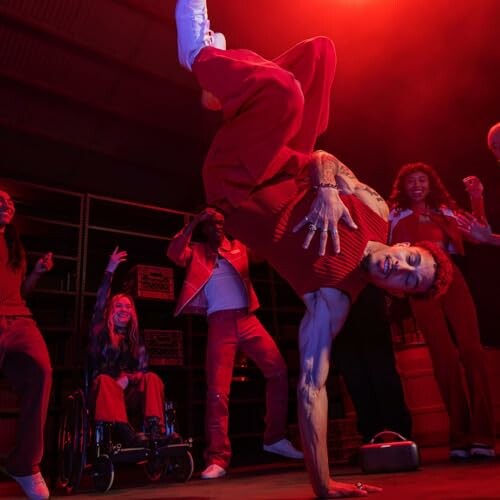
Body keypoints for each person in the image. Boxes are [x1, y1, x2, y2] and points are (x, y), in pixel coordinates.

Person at [174, 1, 453, 496]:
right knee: (320, 54)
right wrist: (325, 187)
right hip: (284, 163)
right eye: (413, 259)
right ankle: (224, 97)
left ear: (396, 293)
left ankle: (199, 54)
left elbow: (311, 388)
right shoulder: (379, 211)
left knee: (283, 92)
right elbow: (326, 158)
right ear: (407, 244)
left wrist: (323, 486)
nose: (401, 266)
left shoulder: (334, 297)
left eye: (407, 279)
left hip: (238, 184)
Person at [167, 207, 303, 480]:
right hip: (220, 324)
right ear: (204, 230)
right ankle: (217, 457)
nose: (216, 227)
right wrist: (195, 221)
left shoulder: (240, 247)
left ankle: (274, 437)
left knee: (278, 370)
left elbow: (265, 249)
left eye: (220, 223)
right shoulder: (197, 251)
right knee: (218, 392)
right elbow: (173, 253)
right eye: (210, 224)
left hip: (247, 319)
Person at [387, 162, 496, 460]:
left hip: (451, 277)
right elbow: (383, 252)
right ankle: (459, 437)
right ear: (403, 188)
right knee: (443, 357)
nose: (417, 185)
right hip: (418, 285)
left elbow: (479, 232)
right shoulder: (393, 215)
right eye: (411, 181)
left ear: (430, 184)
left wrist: (477, 196)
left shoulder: (446, 210)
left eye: (422, 179)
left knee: (472, 351)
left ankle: (483, 435)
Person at [0, 188, 53, 500]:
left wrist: (37, 272)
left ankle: (24, 464)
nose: (6, 203)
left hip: (18, 317)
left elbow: (23, 290)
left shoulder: (14, 246)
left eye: (9, 201)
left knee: (41, 370)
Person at [88, 247, 166, 446]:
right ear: (110, 311)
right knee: (105, 380)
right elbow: (99, 303)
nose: (124, 310)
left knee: (152, 378)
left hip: (128, 392)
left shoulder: (134, 339)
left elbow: (142, 370)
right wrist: (110, 270)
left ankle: (154, 428)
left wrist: (128, 378)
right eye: (119, 306)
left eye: (128, 306)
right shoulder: (101, 332)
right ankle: (122, 431)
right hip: (104, 391)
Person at [332, 285, 412, 445]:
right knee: (354, 370)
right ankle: (373, 435)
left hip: (360, 288)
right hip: (336, 292)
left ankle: (397, 433)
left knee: (378, 365)